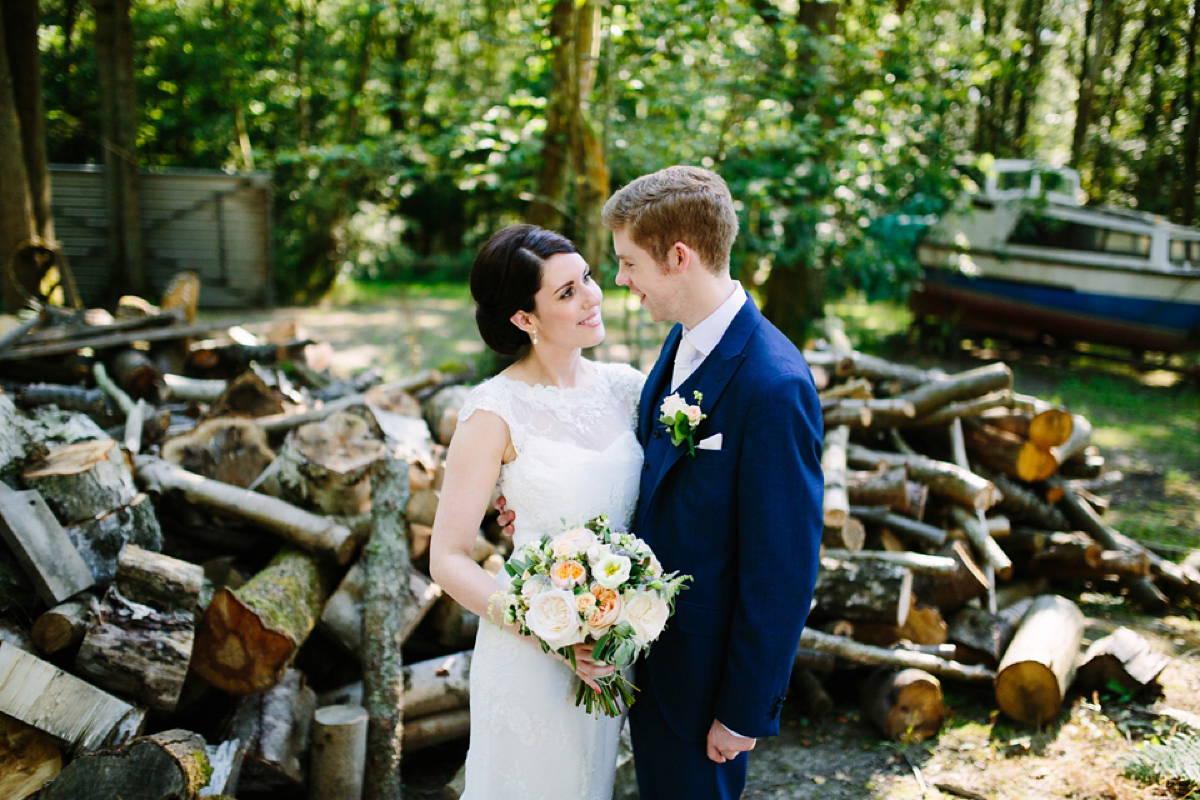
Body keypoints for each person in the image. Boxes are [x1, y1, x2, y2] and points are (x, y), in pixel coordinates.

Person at [499, 165, 823, 799]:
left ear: (679, 257)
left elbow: (783, 566)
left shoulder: (774, 385)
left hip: (706, 687)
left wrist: (743, 709)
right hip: (649, 659)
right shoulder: (680, 344)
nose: (617, 281)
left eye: (627, 263)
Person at [428, 224, 646, 800]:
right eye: (567, 292)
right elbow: (447, 559)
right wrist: (553, 634)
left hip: (610, 646)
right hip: (530, 652)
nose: (592, 296)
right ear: (524, 319)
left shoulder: (628, 390)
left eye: (589, 279)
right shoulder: (493, 411)